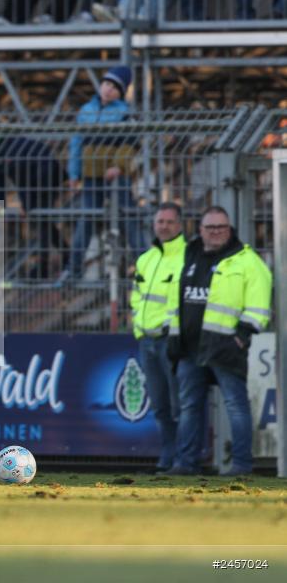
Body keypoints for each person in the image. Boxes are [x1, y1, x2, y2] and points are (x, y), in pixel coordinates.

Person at [163, 206, 272, 476]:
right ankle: (185, 464)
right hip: (189, 348)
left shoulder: (247, 260)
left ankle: (242, 466)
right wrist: (171, 332)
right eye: (210, 228)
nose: (216, 232)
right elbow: (172, 297)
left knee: (236, 406)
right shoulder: (187, 255)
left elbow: (260, 306)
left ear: (230, 228)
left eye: (221, 227)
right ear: (200, 230)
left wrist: (242, 337)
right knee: (190, 407)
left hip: (225, 347)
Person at [61, 65, 145, 282]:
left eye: (114, 87)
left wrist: (118, 165)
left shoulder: (125, 113)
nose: (108, 90)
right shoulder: (86, 111)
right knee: (86, 220)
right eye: (107, 84)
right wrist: (74, 173)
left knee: (128, 218)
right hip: (91, 176)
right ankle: (73, 269)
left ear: (121, 92)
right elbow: (76, 144)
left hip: (116, 176)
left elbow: (131, 144)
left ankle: (146, 264)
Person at [130, 202, 186, 472]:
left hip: (171, 341)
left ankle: (184, 459)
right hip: (147, 341)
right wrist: (139, 327)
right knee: (160, 405)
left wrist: (171, 329)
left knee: (180, 405)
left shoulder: (188, 257)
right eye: (160, 221)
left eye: (169, 222)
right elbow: (136, 295)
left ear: (180, 225)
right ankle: (167, 457)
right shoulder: (146, 258)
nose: (163, 226)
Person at [0, 136, 68, 278]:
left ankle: (43, 266)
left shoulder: (9, 147)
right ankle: (65, 254)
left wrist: (29, 202)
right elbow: (0, 183)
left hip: (45, 178)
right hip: (31, 182)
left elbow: (36, 169)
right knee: (43, 222)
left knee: (41, 220)